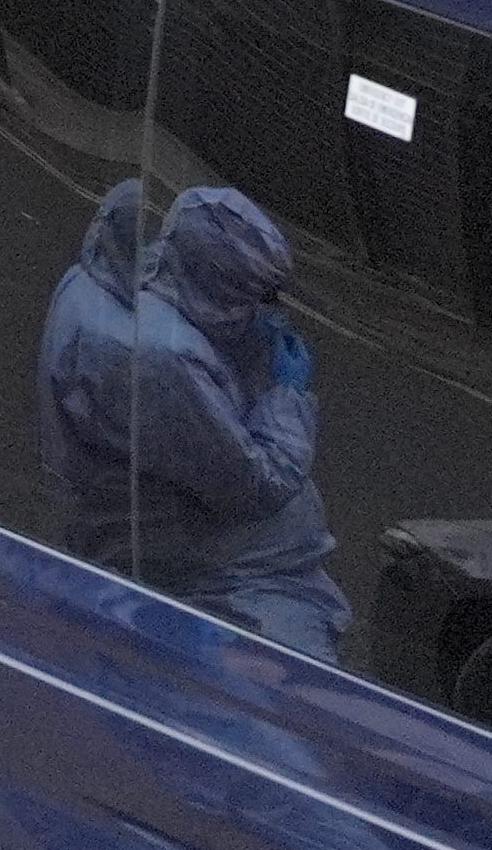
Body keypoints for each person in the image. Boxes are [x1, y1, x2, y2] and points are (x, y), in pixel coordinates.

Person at [37, 182, 341, 663]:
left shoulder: (100, 284)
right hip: (219, 582)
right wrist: (287, 395)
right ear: (221, 286)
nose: (261, 311)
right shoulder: (162, 361)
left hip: (172, 549)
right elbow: (257, 482)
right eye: (254, 296)